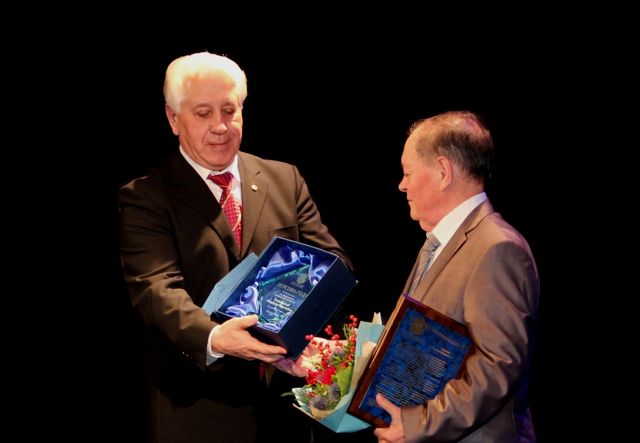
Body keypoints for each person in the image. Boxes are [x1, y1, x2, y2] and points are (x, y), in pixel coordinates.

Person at [118, 51, 351, 443]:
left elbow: (334, 264)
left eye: (229, 110)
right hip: (198, 410)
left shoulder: (285, 179)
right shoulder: (146, 197)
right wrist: (214, 337)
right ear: (173, 119)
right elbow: (156, 292)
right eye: (203, 113)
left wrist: (302, 326)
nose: (220, 126)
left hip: (283, 407)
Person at [373, 111, 539, 443]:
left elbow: (497, 368)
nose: (402, 184)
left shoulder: (497, 248)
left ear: (443, 171)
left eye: (408, 172)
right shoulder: (438, 244)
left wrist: (418, 424)